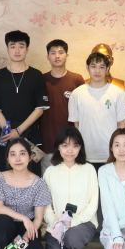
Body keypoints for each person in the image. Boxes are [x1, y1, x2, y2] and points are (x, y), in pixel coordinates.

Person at [0, 31, 49, 176]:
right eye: (12, 46)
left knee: (32, 177)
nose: (17, 50)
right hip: (6, 137)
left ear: (27, 49)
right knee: (6, 176)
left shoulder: (36, 75)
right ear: (7, 49)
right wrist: (9, 132)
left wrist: (19, 131)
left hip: (31, 136)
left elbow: (39, 109)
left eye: (21, 46)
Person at [43, 127, 99, 249]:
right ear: (58, 147)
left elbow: (93, 203)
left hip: (83, 223)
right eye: (65, 145)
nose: (70, 150)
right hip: (56, 227)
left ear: (80, 148)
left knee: (72, 237)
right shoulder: (50, 172)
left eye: (75, 145)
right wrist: (55, 222)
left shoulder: (89, 170)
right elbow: (46, 205)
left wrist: (74, 222)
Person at [0, 138, 52, 249]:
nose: (17, 159)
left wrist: (26, 235)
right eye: (13, 154)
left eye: (22, 154)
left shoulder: (39, 184)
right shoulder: (0, 179)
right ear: (8, 159)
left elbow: (38, 218)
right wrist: (24, 218)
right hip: (5, 227)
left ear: (30, 157)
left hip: (28, 227)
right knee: (2, 222)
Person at [68, 52, 125, 170]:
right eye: (93, 66)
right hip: (86, 155)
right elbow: (76, 126)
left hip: (111, 154)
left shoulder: (118, 93)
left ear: (107, 69)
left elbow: (121, 125)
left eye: (101, 67)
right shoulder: (77, 94)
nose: (97, 71)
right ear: (87, 67)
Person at [40, 39, 85, 175]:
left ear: (67, 55)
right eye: (53, 53)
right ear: (48, 57)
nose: (57, 56)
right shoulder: (41, 80)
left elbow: (83, 111)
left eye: (60, 52)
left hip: (71, 145)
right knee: (48, 182)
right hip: (47, 143)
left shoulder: (76, 79)